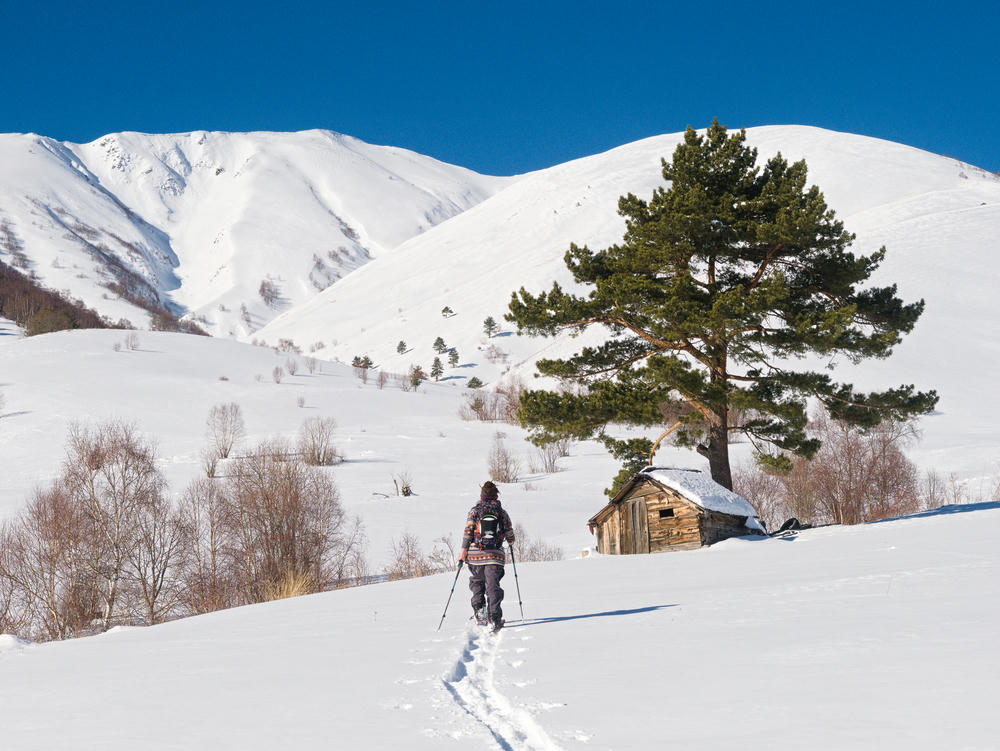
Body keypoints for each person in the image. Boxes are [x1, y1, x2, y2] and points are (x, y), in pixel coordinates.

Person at [458, 481, 516, 631]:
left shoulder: (474, 511)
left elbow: (468, 533)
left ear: (482, 495)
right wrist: (509, 540)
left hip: (475, 555)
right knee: (493, 585)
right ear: (496, 495)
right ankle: (495, 618)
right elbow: (510, 535)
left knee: (477, 582)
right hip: (495, 556)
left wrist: (463, 552)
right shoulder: (501, 513)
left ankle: (480, 612)